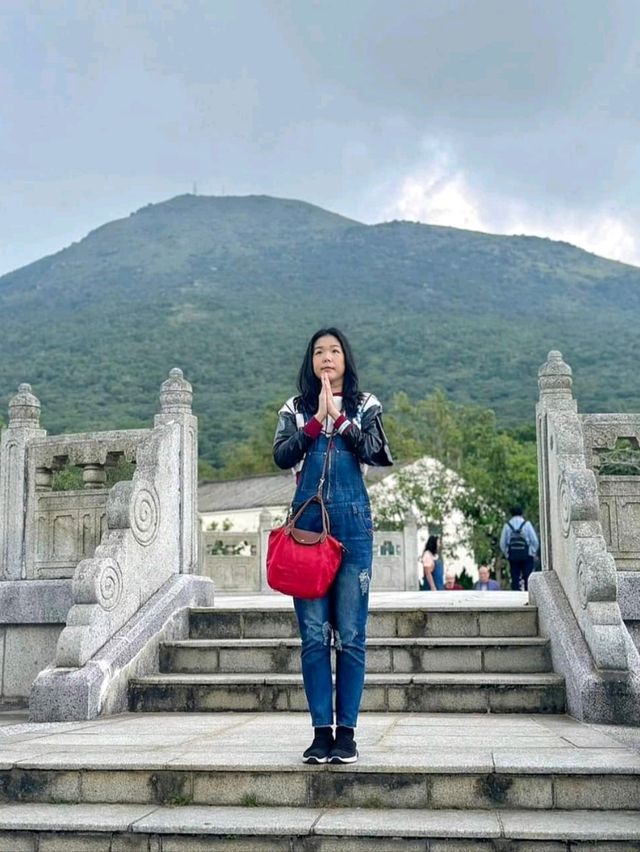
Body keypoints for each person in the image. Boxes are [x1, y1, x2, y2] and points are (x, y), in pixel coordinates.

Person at [273, 327, 392, 765]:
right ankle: (321, 732)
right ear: (310, 361)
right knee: (313, 637)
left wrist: (339, 420)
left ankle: (348, 734)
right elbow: (282, 455)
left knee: (352, 636)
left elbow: (378, 451)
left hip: (354, 525)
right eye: (319, 351)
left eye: (334, 350)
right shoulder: (294, 408)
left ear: (346, 360)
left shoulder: (366, 405)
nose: (326, 357)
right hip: (308, 527)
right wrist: (315, 422)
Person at [499, 505, 539, 591]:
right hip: (526, 555)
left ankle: (515, 596)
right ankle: (528, 595)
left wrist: (507, 553)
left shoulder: (507, 525)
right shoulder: (527, 524)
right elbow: (534, 541)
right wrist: (532, 552)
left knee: (515, 577)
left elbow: (502, 543)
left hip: (513, 556)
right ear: (522, 513)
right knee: (528, 577)